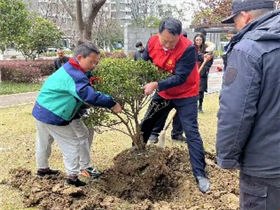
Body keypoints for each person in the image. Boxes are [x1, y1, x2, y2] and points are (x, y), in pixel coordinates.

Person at [216, 0, 280, 209]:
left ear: (244, 17)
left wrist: (226, 157)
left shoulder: (249, 50)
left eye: (235, 22)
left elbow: (236, 112)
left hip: (265, 169)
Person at [32, 40, 122, 187]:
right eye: (92, 62)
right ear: (80, 57)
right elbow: (89, 96)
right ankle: (72, 178)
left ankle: (42, 169)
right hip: (53, 113)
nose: (94, 66)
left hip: (42, 108)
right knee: (72, 143)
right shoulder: (75, 75)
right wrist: (112, 103)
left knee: (45, 141)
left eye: (97, 63)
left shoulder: (71, 68)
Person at [141, 17, 210, 193]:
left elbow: (180, 78)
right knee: (147, 123)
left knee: (192, 131)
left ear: (180, 36)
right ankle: (136, 156)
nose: (169, 45)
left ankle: (200, 174)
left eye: (173, 41)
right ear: (158, 34)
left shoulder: (188, 49)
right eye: (165, 41)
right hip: (164, 93)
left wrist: (155, 84)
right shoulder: (151, 42)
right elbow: (143, 63)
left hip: (186, 93)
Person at [193, 33, 214, 113]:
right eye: (197, 40)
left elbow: (210, 61)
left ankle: (200, 107)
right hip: (194, 72)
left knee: (200, 90)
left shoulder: (207, 50)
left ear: (203, 40)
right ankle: (193, 106)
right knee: (192, 90)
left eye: (200, 40)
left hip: (202, 73)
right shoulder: (192, 49)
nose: (198, 41)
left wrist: (205, 69)